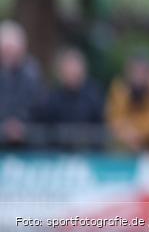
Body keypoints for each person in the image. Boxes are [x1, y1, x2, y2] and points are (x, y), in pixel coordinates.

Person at [38, 48, 105, 149]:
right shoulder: (53, 97)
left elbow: (100, 124)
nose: (72, 72)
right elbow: (46, 126)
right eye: (68, 68)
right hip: (59, 155)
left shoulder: (93, 94)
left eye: (75, 68)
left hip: (88, 154)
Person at [0, 21, 43, 149]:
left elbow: (37, 104)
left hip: (28, 145)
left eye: (12, 48)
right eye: (6, 48)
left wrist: (21, 124)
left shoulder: (32, 73)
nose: (9, 53)